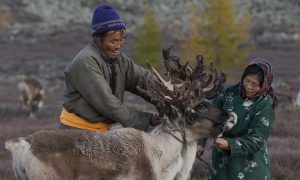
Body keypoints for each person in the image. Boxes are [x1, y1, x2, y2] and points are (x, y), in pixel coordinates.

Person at [59, 3, 160, 132]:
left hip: (102, 130)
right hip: (76, 131)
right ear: (98, 39)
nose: (118, 46)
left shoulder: (119, 60)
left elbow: (142, 79)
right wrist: (146, 119)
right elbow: (108, 104)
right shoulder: (86, 62)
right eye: (113, 41)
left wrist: (168, 94)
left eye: (121, 40)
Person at [200, 60, 277, 180]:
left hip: (249, 169)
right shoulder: (230, 92)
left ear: (264, 85)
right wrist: (199, 144)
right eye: (247, 81)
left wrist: (230, 144)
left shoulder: (264, 105)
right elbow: (209, 116)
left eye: (255, 84)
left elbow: (256, 139)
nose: (249, 87)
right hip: (220, 167)